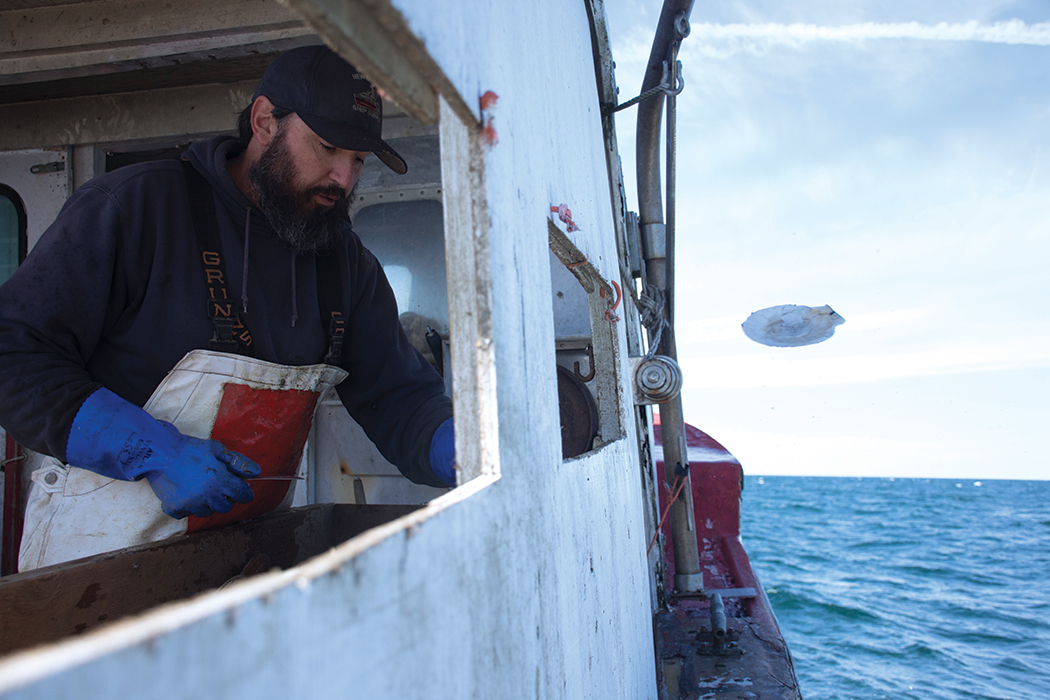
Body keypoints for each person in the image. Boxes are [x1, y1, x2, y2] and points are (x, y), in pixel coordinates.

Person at [0, 46, 455, 569]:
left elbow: (398, 399)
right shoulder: (135, 209)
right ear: (264, 121)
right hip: (94, 570)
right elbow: (14, 352)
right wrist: (150, 450)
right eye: (327, 148)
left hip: (239, 564)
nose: (343, 179)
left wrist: (456, 445)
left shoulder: (346, 266)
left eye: (357, 161)